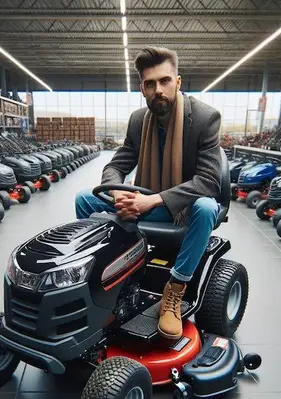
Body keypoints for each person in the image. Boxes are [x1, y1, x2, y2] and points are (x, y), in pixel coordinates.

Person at [75, 46, 223, 340]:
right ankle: (107, 272)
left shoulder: (205, 118)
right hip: (149, 199)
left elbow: (209, 181)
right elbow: (116, 166)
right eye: (150, 83)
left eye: (165, 81)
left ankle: (175, 290)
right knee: (84, 199)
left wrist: (151, 200)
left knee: (206, 208)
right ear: (142, 87)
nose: (158, 89)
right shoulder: (138, 120)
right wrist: (119, 194)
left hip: (187, 205)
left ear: (178, 82)